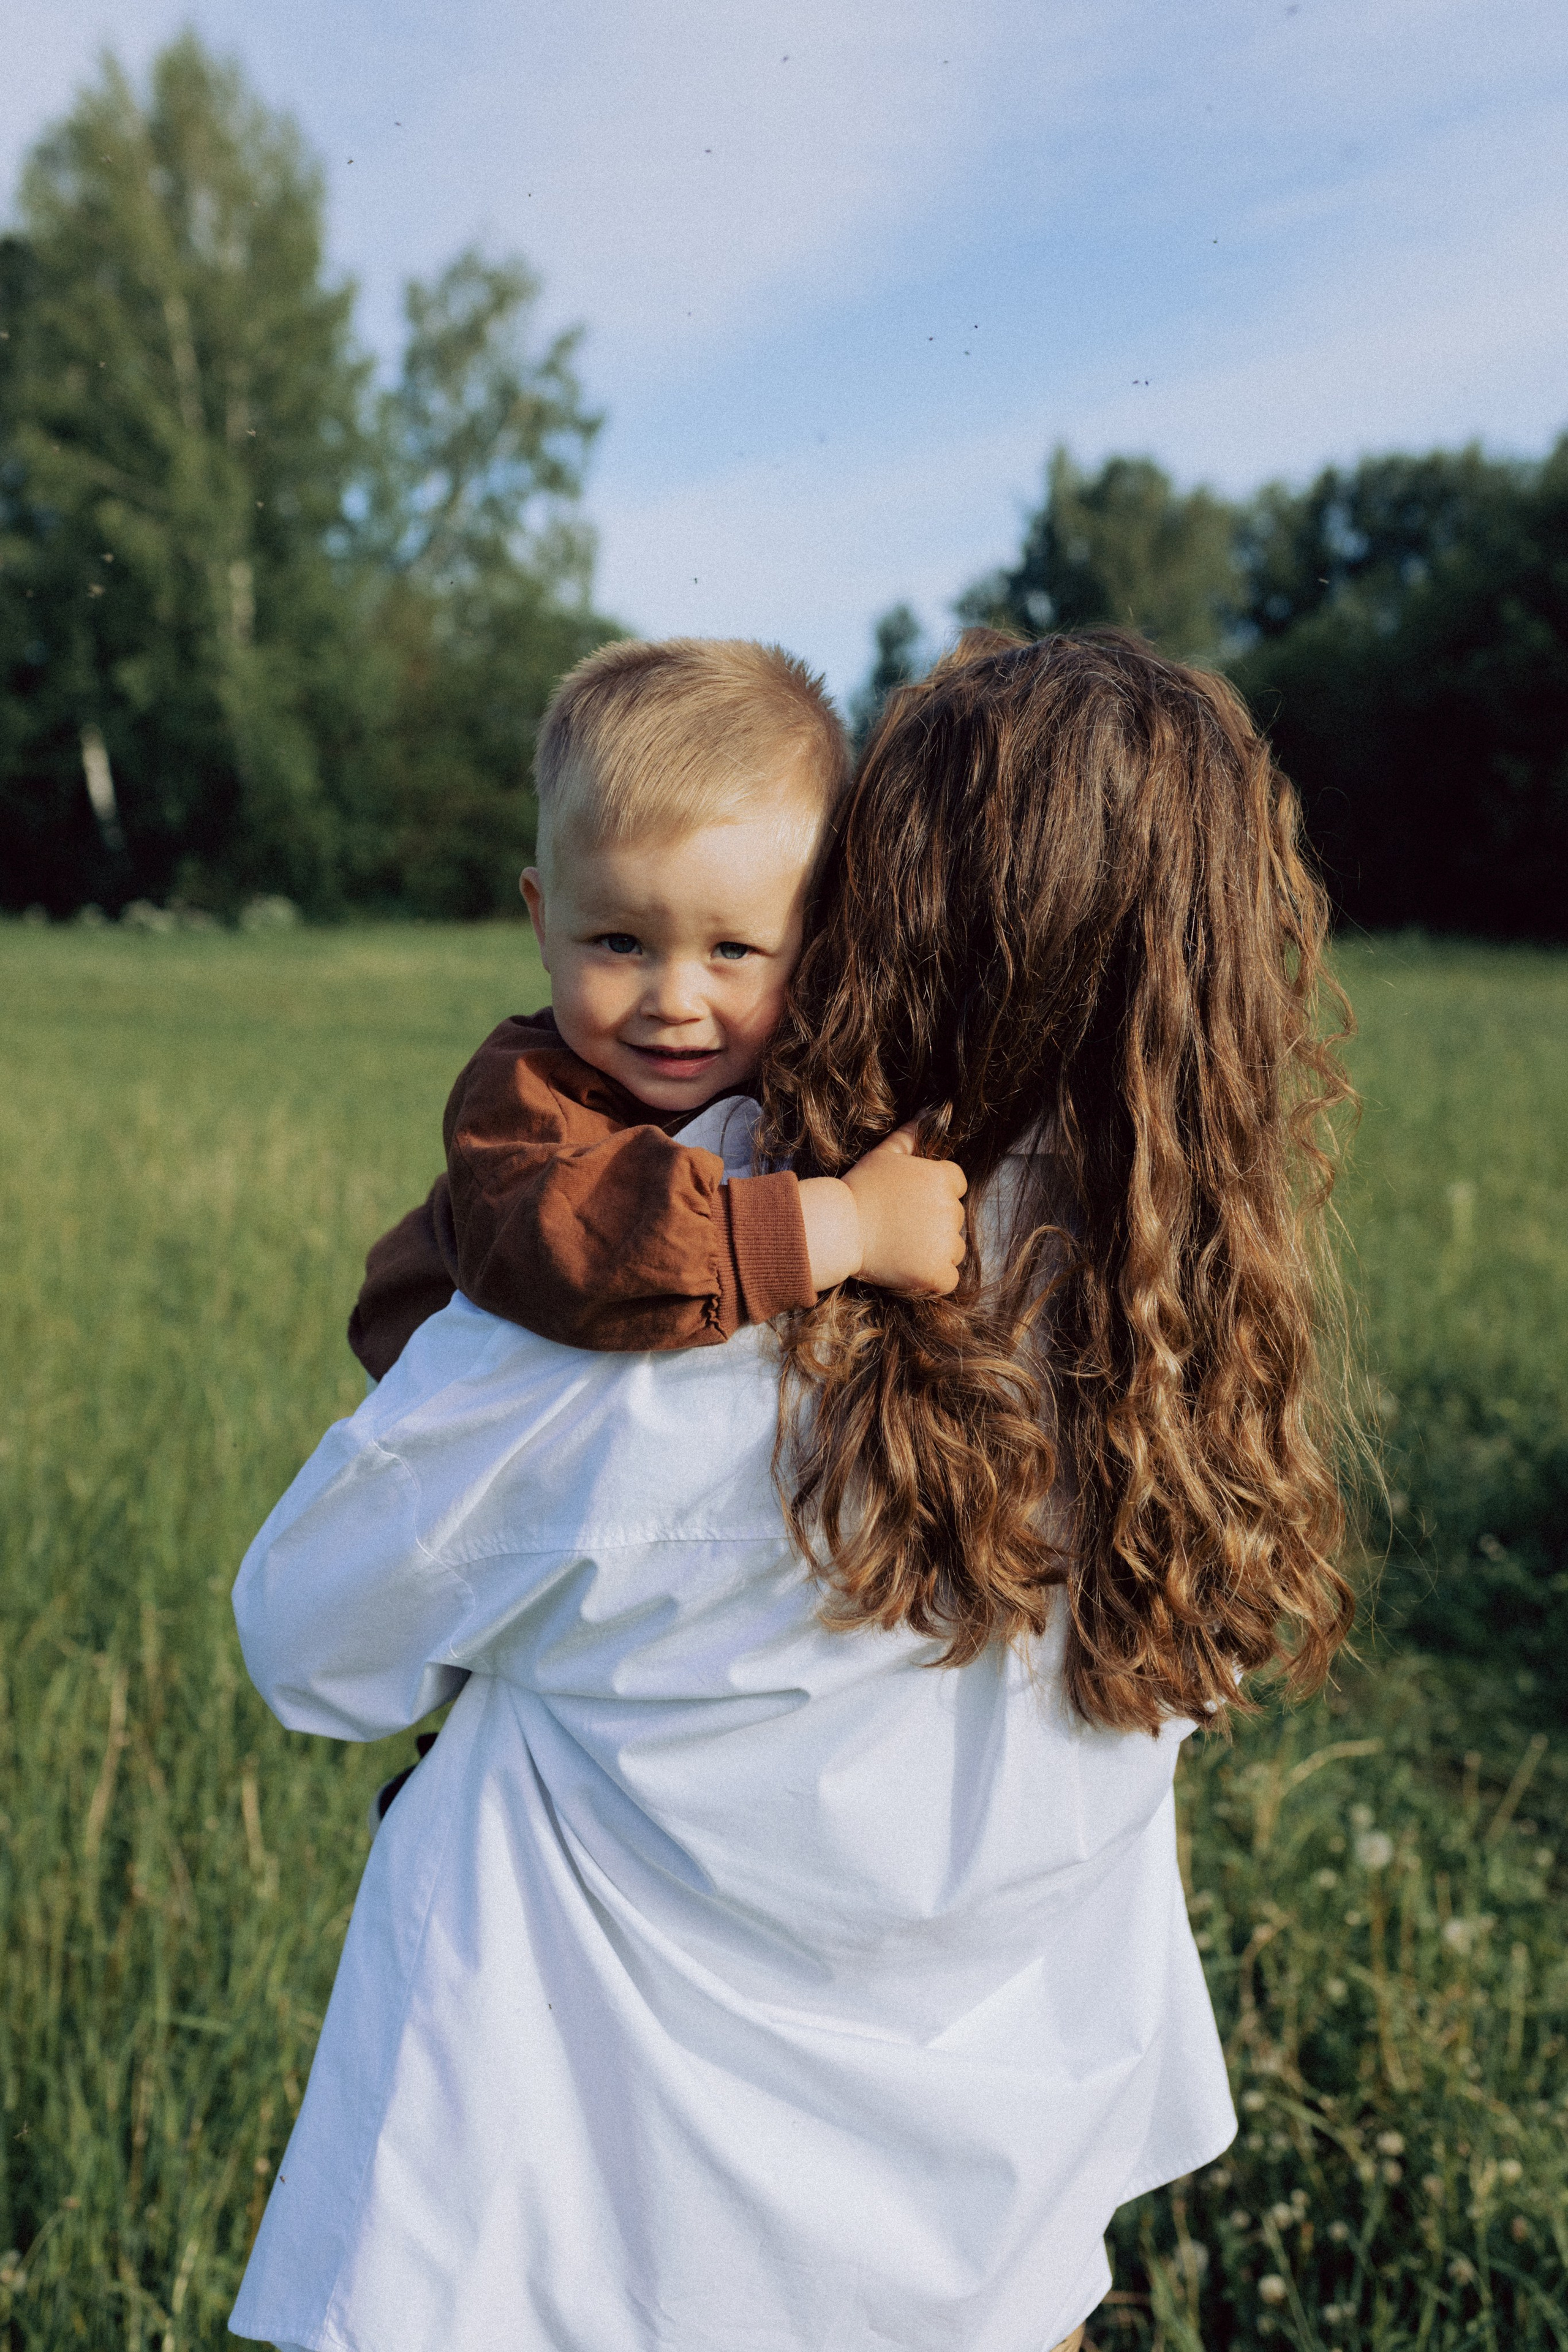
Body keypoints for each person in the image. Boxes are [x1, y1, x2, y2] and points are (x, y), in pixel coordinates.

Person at [229, 629, 1359, 2352]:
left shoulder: (660, 1289)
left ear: (866, 902)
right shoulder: (1185, 1346)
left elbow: (307, 1642)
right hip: (991, 2251)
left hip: (582, 2243)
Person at [349, 635, 968, 1385]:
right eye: (619, 943)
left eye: (732, 950)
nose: (674, 1003)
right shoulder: (525, 1102)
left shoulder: (807, 1074)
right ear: (545, 922)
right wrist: (845, 1224)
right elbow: (592, 1245)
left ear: (817, 935)